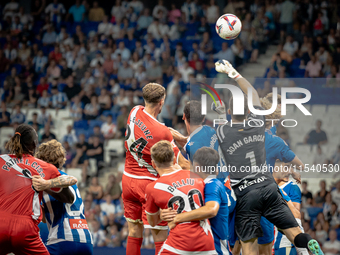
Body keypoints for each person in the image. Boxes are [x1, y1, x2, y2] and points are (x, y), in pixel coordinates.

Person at [214, 59, 323, 255]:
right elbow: (253, 94)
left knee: (248, 245)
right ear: (249, 111)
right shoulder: (257, 122)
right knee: (294, 231)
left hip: (246, 194)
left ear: (230, 112)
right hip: (268, 187)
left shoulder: (223, 132)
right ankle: (306, 247)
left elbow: (224, 118)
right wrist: (234, 73)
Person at [123, 83, 189, 255]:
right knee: (159, 235)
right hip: (148, 185)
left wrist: (178, 137)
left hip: (128, 179)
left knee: (133, 231)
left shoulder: (135, 111)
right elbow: (181, 164)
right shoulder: (162, 133)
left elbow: (155, 128)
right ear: (162, 101)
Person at [0, 124, 76, 254]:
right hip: (25, 229)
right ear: (35, 145)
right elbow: (69, 198)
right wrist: (45, 185)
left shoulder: (1, 160)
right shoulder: (45, 167)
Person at [144, 141, 216, 254]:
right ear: (173, 160)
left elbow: (152, 222)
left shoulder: (152, 188)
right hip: (206, 242)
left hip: (179, 244)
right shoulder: (197, 176)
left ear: (153, 164)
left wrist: (161, 215)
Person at [160, 147, 234, 255]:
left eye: (190, 163)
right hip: (196, 247)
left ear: (197, 167)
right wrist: (166, 214)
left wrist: (177, 218)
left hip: (215, 249)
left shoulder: (212, 184)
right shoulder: (195, 186)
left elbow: (211, 210)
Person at [34, 140, 93, 255]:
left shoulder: (53, 179)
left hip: (62, 239)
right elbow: (46, 218)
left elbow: (70, 183)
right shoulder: (63, 177)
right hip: (85, 240)